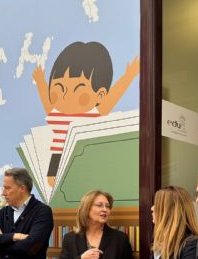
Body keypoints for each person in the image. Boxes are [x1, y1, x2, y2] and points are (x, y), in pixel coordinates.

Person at [32, 41, 139, 186]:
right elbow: (46, 99)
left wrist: (129, 76)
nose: (66, 96)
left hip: (85, 153)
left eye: (78, 89)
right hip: (58, 156)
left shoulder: (95, 114)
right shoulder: (55, 114)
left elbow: (113, 96)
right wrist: (40, 82)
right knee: (53, 181)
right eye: (59, 88)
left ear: (100, 95)